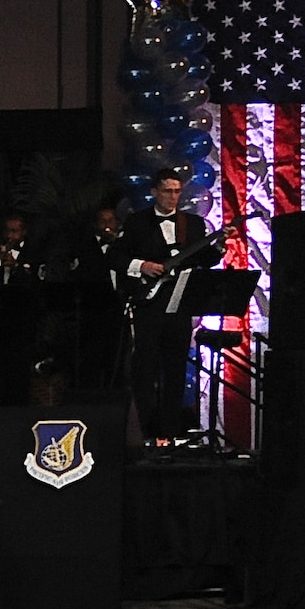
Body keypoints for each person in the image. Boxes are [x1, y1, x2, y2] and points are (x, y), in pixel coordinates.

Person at [113, 170, 219, 442]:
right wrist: (142, 266)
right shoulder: (137, 221)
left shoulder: (193, 224)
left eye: (177, 191)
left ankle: (171, 435)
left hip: (180, 306)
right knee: (145, 370)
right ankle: (144, 435)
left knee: (175, 370)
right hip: (148, 306)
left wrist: (219, 249)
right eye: (167, 191)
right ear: (155, 192)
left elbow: (204, 259)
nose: (173, 196)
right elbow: (116, 255)